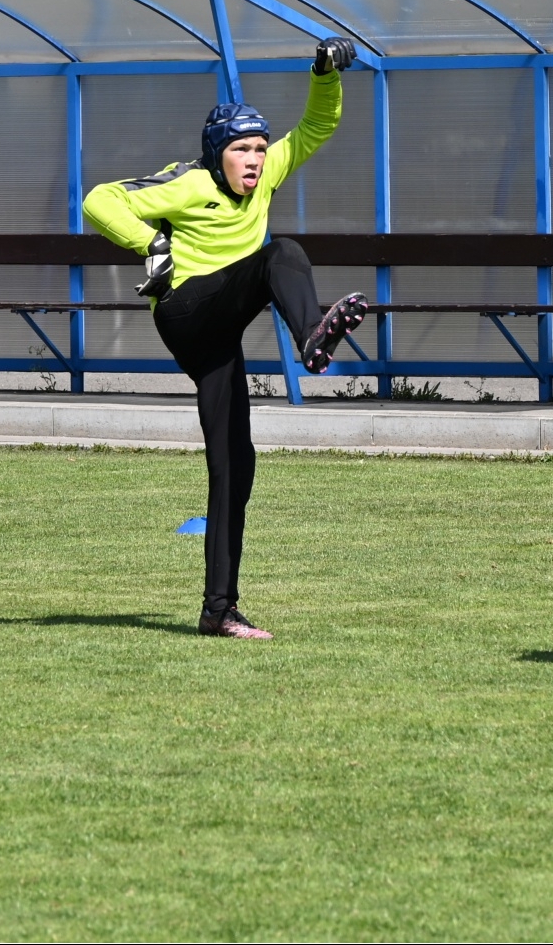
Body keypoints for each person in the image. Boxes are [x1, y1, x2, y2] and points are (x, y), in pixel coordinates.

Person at [83, 38, 368, 639]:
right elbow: (98, 200)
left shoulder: (266, 177)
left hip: (222, 330)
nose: (256, 159)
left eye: (261, 148)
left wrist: (324, 73)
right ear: (217, 154)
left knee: (235, 467)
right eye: (242, 149)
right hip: (186, 310)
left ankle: (219, 610)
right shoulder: (188, 184)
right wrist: (150, 243)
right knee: (281, 253)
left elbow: (317, 126)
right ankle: (312, 337)